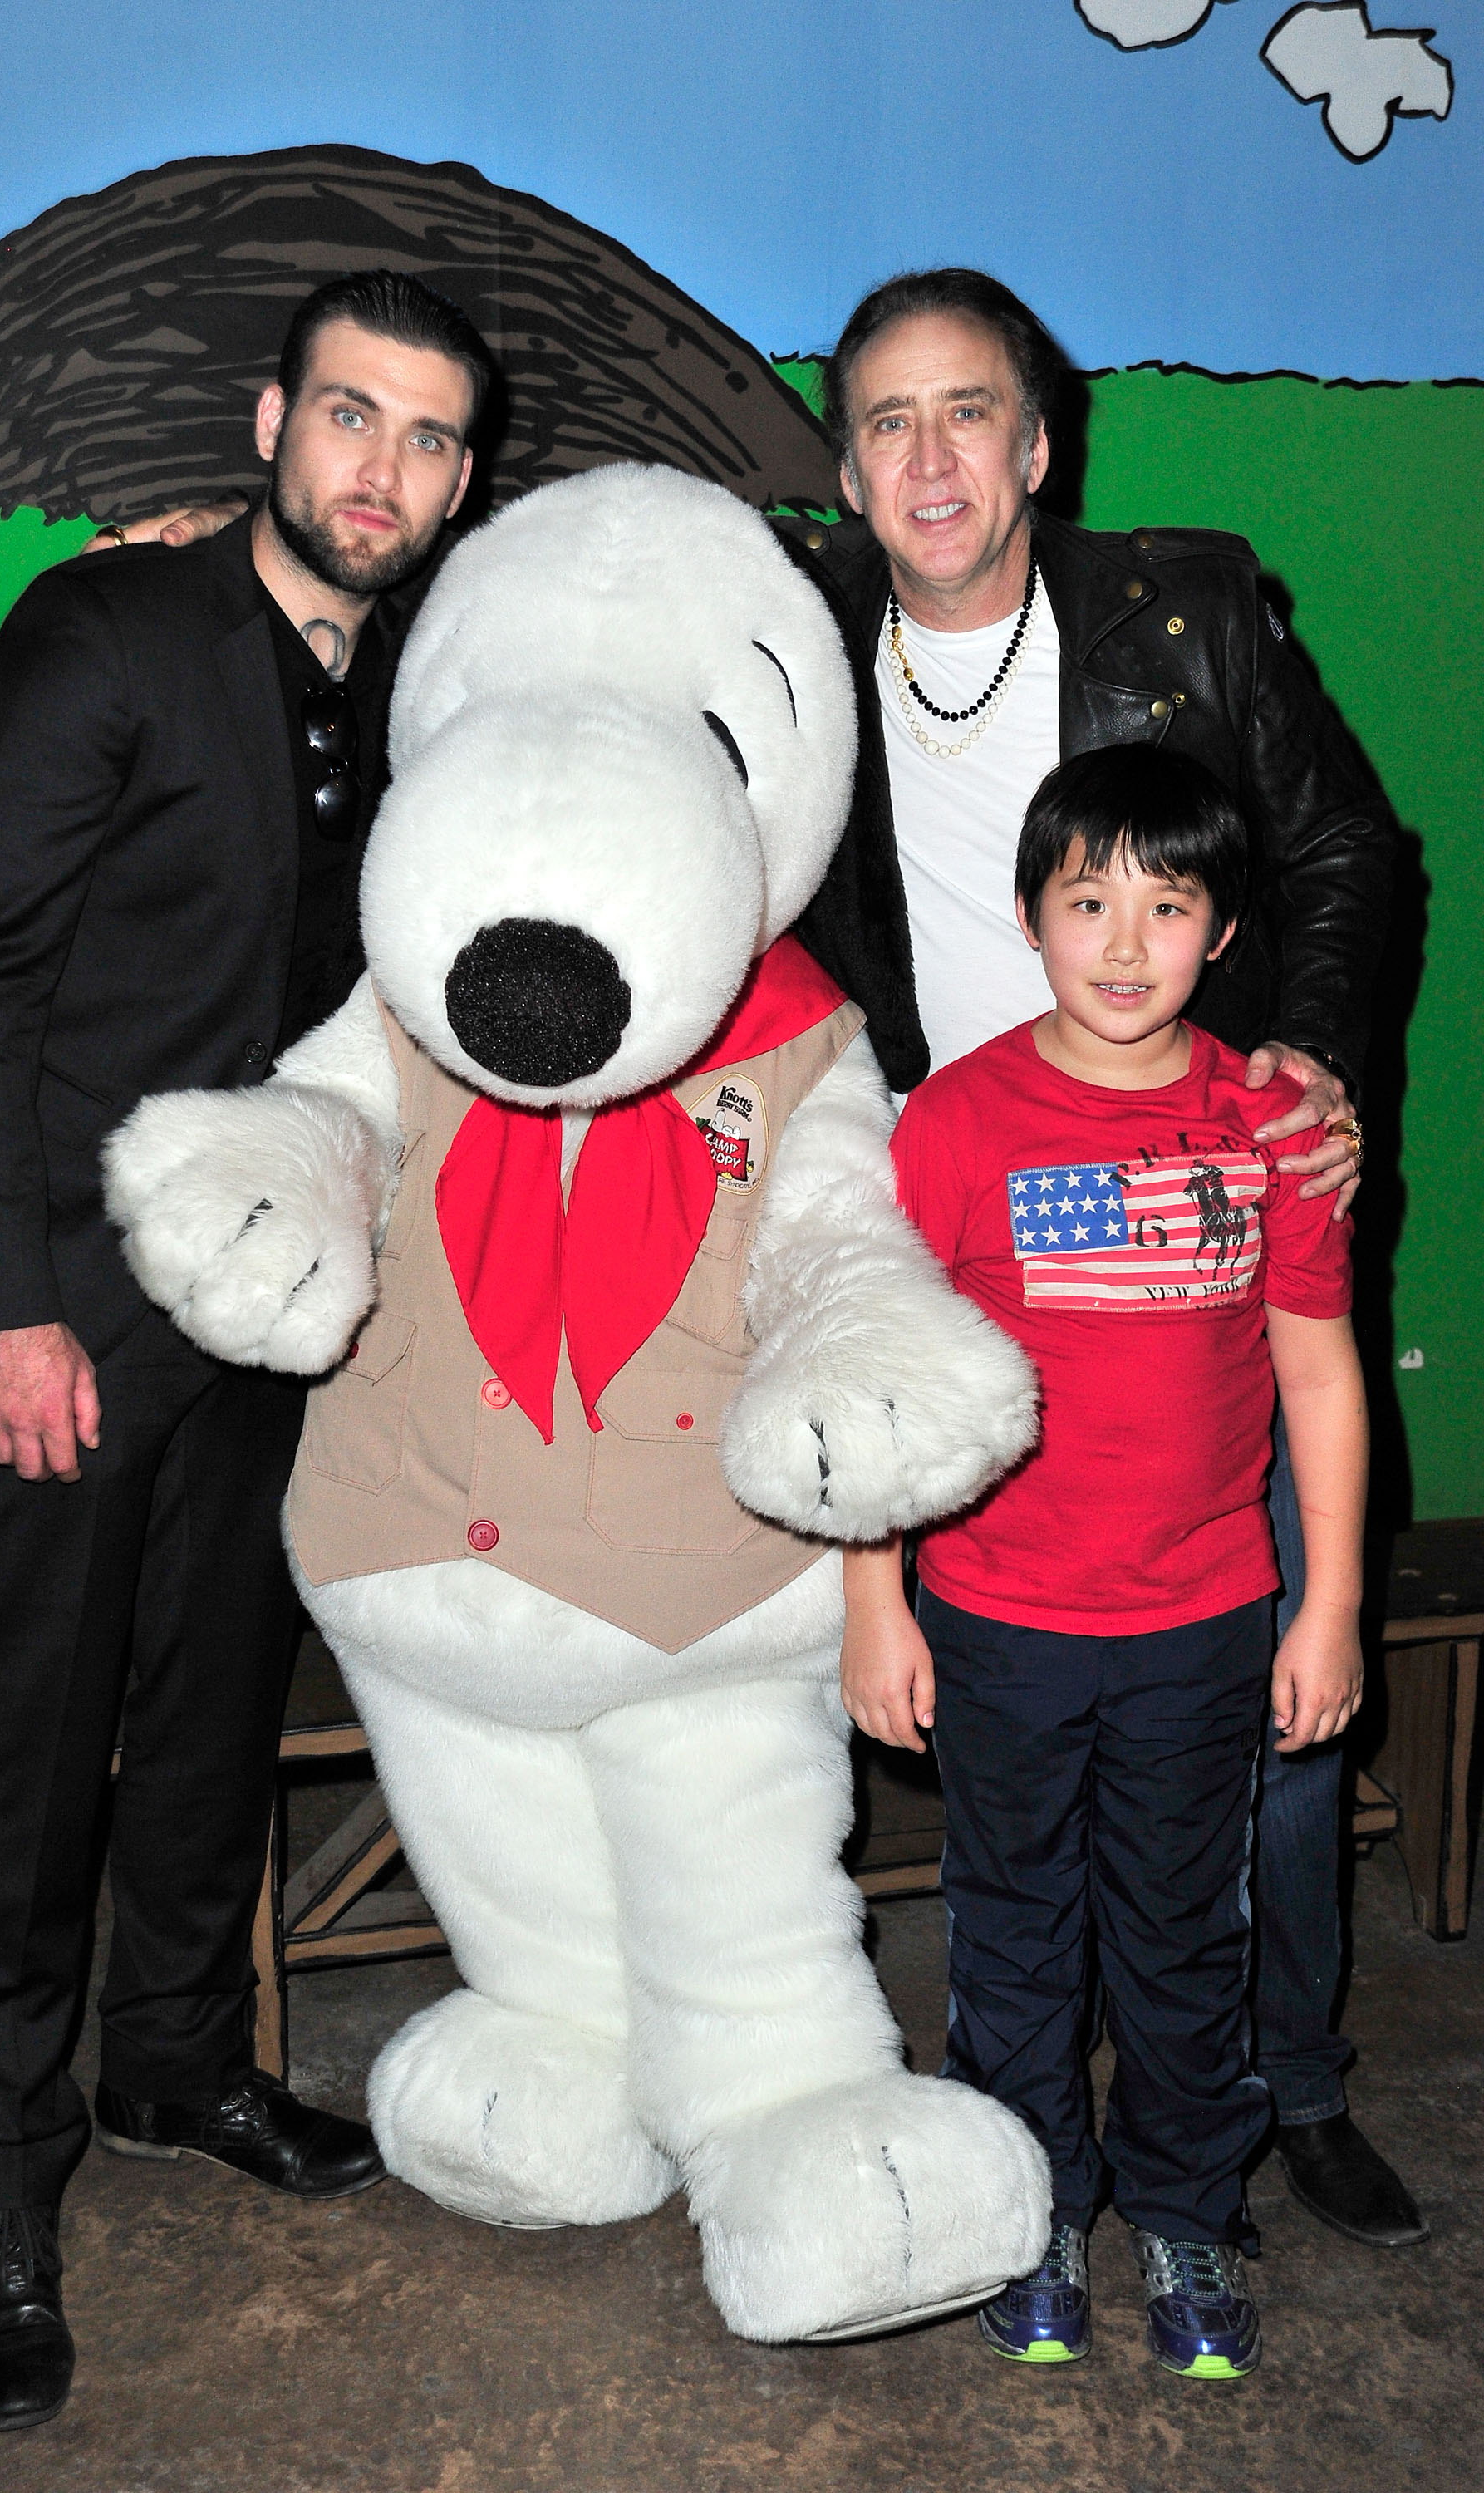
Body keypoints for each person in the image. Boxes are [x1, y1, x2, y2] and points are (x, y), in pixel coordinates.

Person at [0, 268, 492, 2434]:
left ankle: (169, 2072)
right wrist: (5, 1307)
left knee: (216, 1704)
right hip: (62, 1287)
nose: (383, 471)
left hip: (274, 1290)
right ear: (267, 422)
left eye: (429, 438)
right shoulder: (106, 635)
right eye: (350, 418)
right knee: (25, 1757)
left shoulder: (425, 666)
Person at [787, 268, 1424, 2254]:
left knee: (1265, 1715)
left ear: (1038, 442)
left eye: (965, 411)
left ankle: (1277, 2087)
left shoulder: (1186, 616)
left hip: (1205, 1218)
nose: (928, 456)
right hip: (956, 1233)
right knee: (1019, 1766)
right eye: (885, 420)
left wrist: (1298, 1042)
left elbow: (1350, 854)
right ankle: (1024, 2157)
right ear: (845, 469)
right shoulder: (790, 644)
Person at [843, 743, 1369, 2373]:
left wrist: (1328, 1600)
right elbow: (883, 1372)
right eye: (1089, 902)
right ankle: (1032, 2210)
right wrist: (874, 1602)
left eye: (1167, 904)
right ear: (1028, 917)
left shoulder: (1271, 1120)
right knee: (1010, 1935)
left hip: (1203, 1619)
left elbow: (1317, 1370)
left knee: (1177, 1937)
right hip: (995, 1621)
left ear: (1221, 934)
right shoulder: (955, 1118)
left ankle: (1188, 2217)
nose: (1125, 942)